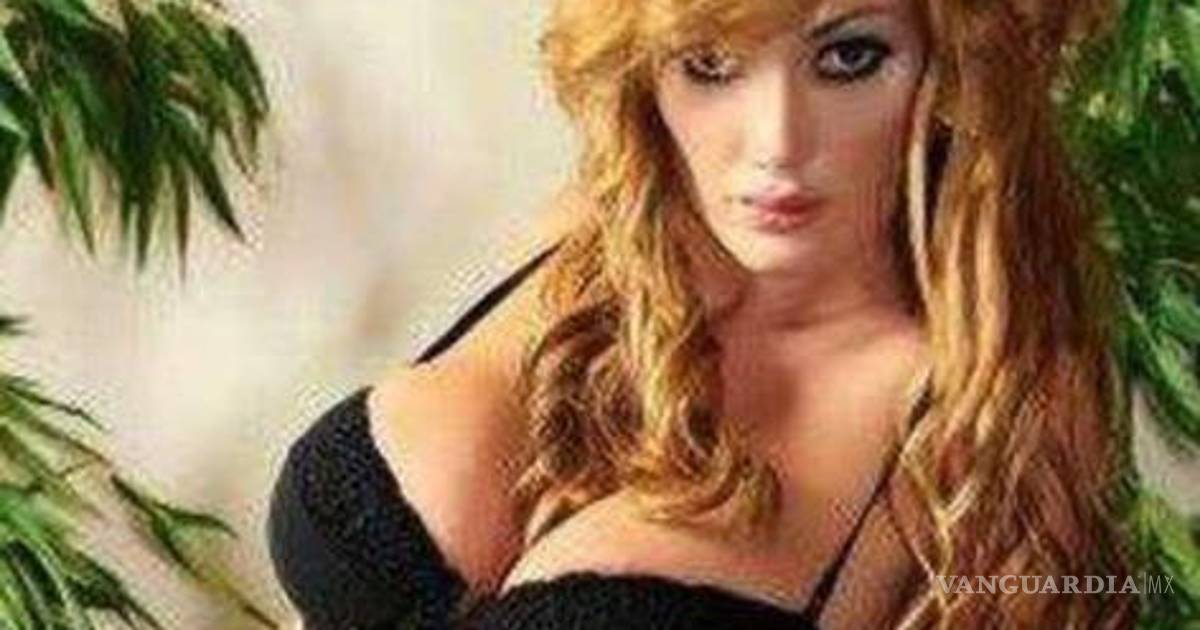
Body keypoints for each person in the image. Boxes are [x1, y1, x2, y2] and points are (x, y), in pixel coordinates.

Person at [268, 0, 1139, 627]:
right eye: (711, 62)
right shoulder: (586, 237)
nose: (777, 145)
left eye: (848, 57)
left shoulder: (988, 409)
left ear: (951, 61)